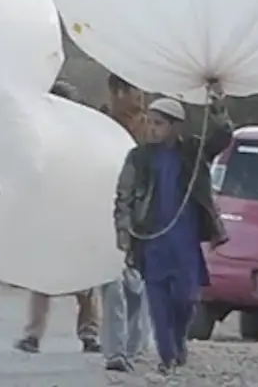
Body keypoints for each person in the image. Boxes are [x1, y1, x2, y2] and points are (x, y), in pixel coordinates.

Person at [114, 88, 233, 375]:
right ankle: (167, 356)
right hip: (152, 241)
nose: (152, 129)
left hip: (185, 241)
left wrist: (217, 106)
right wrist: (123, 231)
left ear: (175, 127)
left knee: (185, 299)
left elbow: (223, 137)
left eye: (159, 123)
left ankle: (179, 340)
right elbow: (124, 196)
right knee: (157, 303)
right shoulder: (138, 157)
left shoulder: (193, 152)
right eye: (150, 122)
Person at [15, 79, 101, 355]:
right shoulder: (39, 135)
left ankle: (86, 332)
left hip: (75, 210)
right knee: (44, 276)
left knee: (84, 278)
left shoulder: (83, 137)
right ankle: (36, 334)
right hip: (52, 211)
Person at [99, 73, 152, 373]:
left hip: (141, 217)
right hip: (106, 214)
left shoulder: (148, 128)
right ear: (117, 92)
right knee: (111, 283)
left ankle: (134, 345)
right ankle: (116, 350)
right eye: (135, 90)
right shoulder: (100, 124)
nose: (141, 97)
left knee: (136, 286)